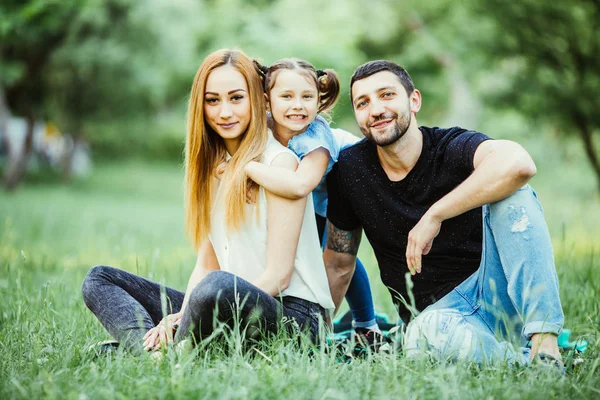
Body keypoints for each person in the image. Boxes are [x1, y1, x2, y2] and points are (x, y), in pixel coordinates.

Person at [81, 49, 334, 353]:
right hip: (227, 300)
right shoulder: (215, 168)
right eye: (213, 100)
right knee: (99, 279)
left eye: (236, 98)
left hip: (293, 317)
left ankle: (158, 350)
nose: (224, 112)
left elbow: (279, 277)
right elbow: (205, 264)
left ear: (257, 99)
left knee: (217, 287)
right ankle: (151, 353)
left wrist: (185, 317)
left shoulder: (278, 163)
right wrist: (179, 315)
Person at [324, 60, 564, 365]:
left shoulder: (449, 146)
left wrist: (434, 215)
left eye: (386, 95)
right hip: (439, 321)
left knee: (514, 195)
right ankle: (525, 362)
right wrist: (316, 336)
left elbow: (519, 164)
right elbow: (338, 265)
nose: (375, 110)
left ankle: (545, 346)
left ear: (414, 101)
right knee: (422, 337)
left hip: (500, 294)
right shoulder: (350, 170)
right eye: (363, 102)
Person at [244, 58, 381, 337]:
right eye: (287, 96)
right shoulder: (264, 125)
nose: (298, 105)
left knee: (338, 255)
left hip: (350, 180)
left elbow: (300, 184)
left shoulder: (315, 136)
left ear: (319, 101)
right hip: (319, 193)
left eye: (307, 97)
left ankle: (367, 326)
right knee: (308, 253)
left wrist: (244, 167)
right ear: (266, 100)